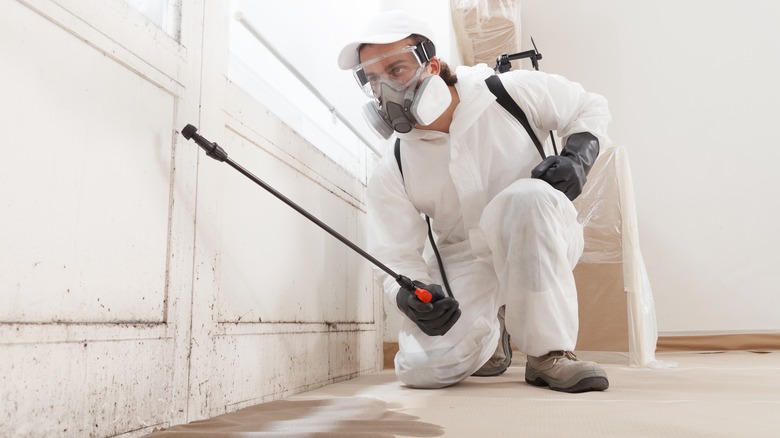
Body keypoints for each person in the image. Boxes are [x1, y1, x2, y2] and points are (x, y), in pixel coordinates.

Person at [337, 10, 612, 392]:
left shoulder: (506, 92)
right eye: (373, 80)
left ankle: (549, 354)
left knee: (527, 198)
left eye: (396, 70)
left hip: (537, 237)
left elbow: (588, 105)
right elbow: (395, 251)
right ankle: (492, 327)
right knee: (421, 369)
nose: (385, 90)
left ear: (431, 66)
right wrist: (408, 294)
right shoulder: (396, 163)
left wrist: (577, 157)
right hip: (464, 259)